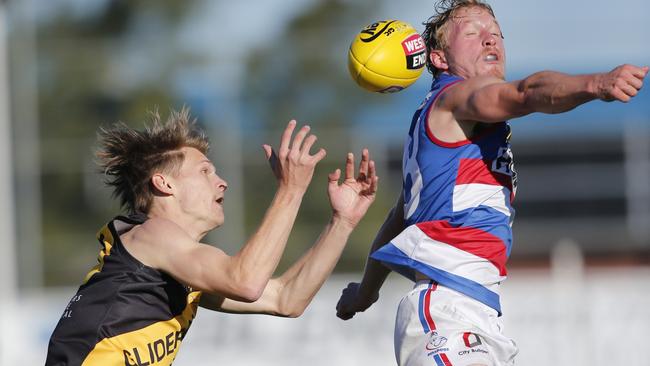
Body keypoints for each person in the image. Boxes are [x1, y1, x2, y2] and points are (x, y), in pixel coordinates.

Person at [336, 1, 648, 365]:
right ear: (438, 59)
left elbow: (400, 218)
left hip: (475, 314)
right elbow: (526, 92)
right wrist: (595, 84)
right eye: (472, 33)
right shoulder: (454, 97)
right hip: (447, 316)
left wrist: (366, 292)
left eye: (496, 33)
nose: (490, 41)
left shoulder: (445, 131)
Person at [45, 108, 378, 365]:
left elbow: (286, 300)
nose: (222, 182)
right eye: (205, 171)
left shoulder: (177, 267)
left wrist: (342, 222)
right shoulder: (151, 234)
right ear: (164, 184)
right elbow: (245, 282)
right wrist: (291, 188)